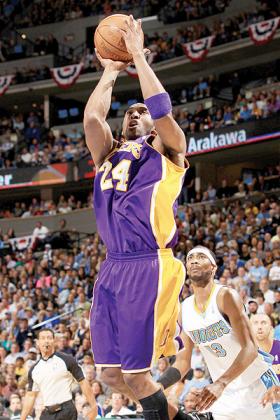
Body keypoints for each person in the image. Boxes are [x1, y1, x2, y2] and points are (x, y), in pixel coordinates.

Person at [84, 15, 188, 420]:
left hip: (149, 263)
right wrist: (110, 71)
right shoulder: (107, 154)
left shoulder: (167, 150)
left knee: (139, 375)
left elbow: (162, 110)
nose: (133, 114)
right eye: (128, 111)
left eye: (140, 111)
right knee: (110, 374)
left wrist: (139, 61)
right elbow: (93, 120)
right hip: (112, 266)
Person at [157, 246, 280, 420]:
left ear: (213, 267)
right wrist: (157, 386)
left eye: (201, 256)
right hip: (224, 393)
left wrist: (221, 383)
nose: (194, 260)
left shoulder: (225, 296)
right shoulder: (183, 309)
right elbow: (183, 362)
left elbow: (250, 348)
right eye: (190, 258)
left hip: (257, 385)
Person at [20, 328, 97, 420]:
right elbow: (30, 396)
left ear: (54, 341)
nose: (46, 341)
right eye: (43, 338)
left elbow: (83, 382)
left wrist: (93, 406)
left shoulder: (67, 360)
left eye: (49, 338)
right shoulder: (34, 369)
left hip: (66, 410)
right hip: (47, 413)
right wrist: (22, 418)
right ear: (38, 342)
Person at [250, 313, 280, 380]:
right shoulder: (243, 352)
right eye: (255, 323)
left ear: (271, 328)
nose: (259, 327)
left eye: (263, 323)